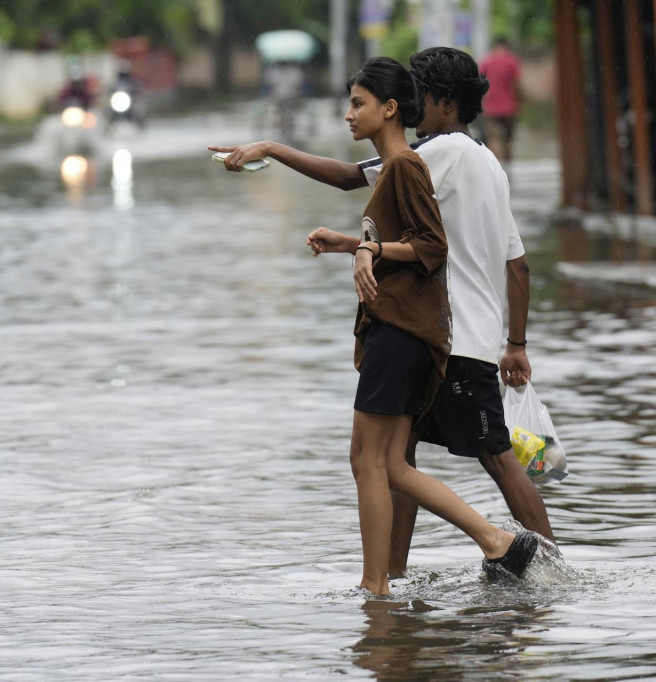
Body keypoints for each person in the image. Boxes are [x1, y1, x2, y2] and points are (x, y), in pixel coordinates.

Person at [208, 46, 556, 579]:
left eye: (419, 94)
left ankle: (541, 561)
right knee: (397, 458)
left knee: (493, 455)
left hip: (450, 335)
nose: (413, 104)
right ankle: (390, 578)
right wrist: (517, 343)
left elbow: (353, 176)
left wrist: (275, 150)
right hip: (465, 334)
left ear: (441, 101)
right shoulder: (489, 162)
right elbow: (519, 265)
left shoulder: (439, 153)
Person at [479, 37, 521, 168]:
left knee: (493, 138)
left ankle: (495, 168)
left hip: (491, 107)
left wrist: (480, 103)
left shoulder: (486, 62)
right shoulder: (512, 61)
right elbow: (517, 85)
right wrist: (519, 101)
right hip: (509, 107)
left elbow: (480, 85)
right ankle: (508, 167)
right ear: (506, 46)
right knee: (508, 140)